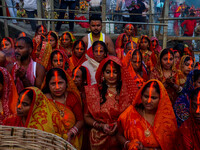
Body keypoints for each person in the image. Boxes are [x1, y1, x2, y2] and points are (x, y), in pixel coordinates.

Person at [84, 56, 137, 150]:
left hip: (120, 138)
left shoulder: (127, 92)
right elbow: (86, 117)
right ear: (102, 73)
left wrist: (119, 124)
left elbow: (133, 115)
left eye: (115, 72)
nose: (111, 75)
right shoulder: (94, 91)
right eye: (108, 72)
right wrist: (101, 126)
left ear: (120, 74)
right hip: (97, 139)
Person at [3, 86, 82, 150]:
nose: (19, 107)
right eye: (18, 102)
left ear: (35, 106)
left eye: (25, 104)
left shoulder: (47, 127)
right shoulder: (10, 121)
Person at [117, 80, 178, 150]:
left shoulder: (167, 119)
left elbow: (169, 146)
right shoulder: (131, 112)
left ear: (161, 99)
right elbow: (118, 133)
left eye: (153, 98)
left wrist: (145, 149)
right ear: (141, 96)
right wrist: (128, 144)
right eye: (146, 96)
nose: (148, 101)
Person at [43, 68, 83, 149]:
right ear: (48, 84)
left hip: (70, 140)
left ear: (66, 83)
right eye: (53, 84)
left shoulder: (72, 97)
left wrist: (71, 133)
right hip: (49, 141)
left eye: (60, 83)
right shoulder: (44, 99)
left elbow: (80, 120)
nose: (57, 87)